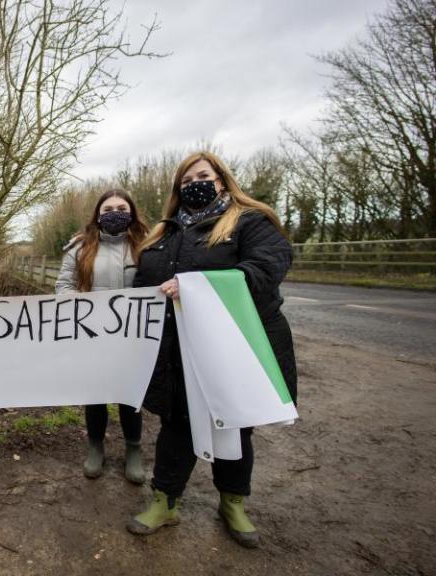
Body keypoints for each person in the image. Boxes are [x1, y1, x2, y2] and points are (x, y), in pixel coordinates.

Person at [125, 151, 297, 548]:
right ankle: (164, 502)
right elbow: (145, 286)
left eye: (202, 176)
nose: (193, 185)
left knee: (236, 423)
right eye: (185, 181)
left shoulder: (250, 222)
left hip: (234, 349)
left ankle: (233, 502)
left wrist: (199, 286)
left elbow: (266, 269)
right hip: (176, 352)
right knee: (176, 423)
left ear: (222, 180)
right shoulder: (165, 234)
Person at [55, 189, 150, 483]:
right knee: (95, 394)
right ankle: (95, 446)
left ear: (131, 212)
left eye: (121, 207)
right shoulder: (79, 247)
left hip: (133, 336)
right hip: (92, 334)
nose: (114, 212)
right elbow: (64, 285)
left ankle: (134, 448)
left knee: (129, 395)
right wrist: (75, 304)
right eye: (108, 208)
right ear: (98, 214)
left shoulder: (147, 245)